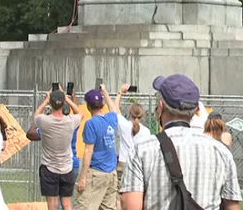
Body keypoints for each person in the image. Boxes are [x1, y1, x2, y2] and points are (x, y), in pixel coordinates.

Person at [120, 74, 241, 210]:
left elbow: (130, 205)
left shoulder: (141, 150)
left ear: (160, 107)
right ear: (196, 111)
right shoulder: (221, 152)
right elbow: (232, 206)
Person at [26, 90, 81, 210]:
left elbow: (36, 116)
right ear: (63, 104)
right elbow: (80, 113)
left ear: (50, 104)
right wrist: (68, 99)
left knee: (52, 204)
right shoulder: (71, 121)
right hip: (67, 167)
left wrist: (46, 100)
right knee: (67, 203)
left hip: (49, 168)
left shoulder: (44, 121)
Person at [76, 85, 119, 210]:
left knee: (84, 206)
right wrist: (105, 92)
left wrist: (82, 177)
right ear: (102, 105)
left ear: (88, 106)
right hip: (111, 173)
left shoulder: (91, 123)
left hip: (96, 173)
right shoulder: (110, 119)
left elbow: (89, 151)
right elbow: (113, 109)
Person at [113, 84, 150, 209]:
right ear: (142, 115)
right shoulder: (146, 132)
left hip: (123, 163)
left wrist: (120, 93)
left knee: (118, 196)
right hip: (139, 165)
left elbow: (115, 110)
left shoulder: (124, 125)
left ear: (129, 114)